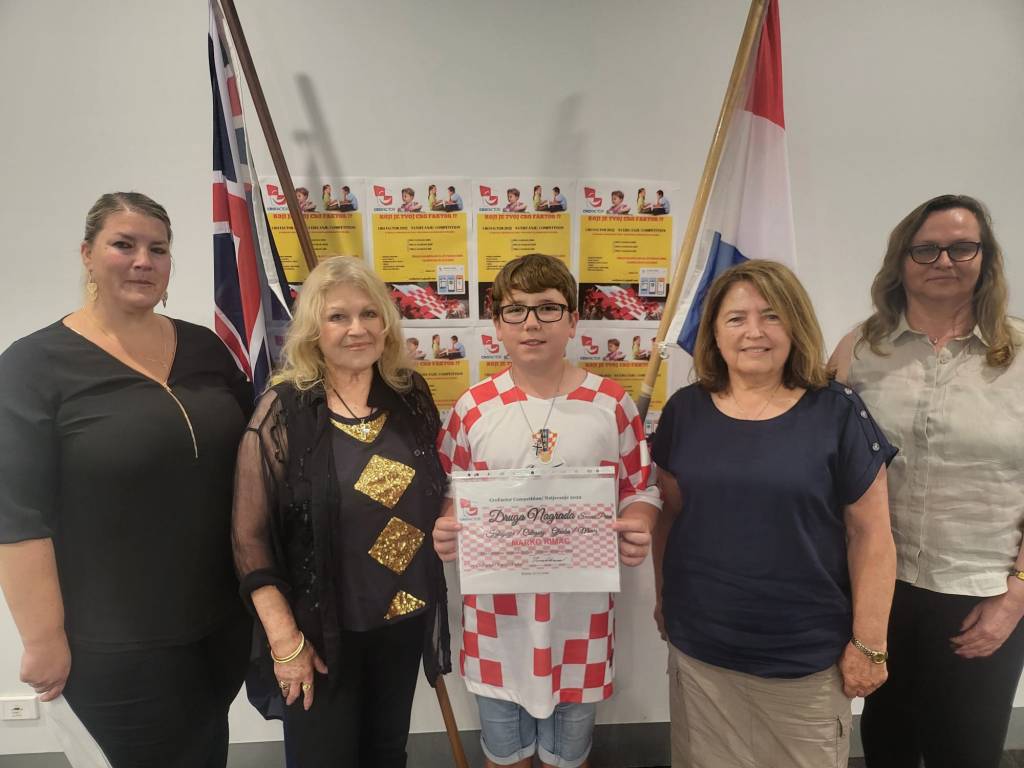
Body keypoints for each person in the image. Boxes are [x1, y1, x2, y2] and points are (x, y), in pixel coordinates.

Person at [0, 192, 253, 767]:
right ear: (87, 255)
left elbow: (259, 454)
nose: (143, 261)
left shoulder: (204, 347)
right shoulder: (33, 366)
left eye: (158, 249)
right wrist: (42, 639)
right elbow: (17, 517)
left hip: (218, 625)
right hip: (114, 643)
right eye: (124, 244)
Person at [651, 259, 897, 768]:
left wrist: (870, 643)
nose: (754, 332)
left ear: (795, 324)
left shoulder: (837, 411)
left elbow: (871, 535)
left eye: (771, 316)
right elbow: (670, 517)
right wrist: (662, 598)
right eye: (736, 318)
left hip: (802, 661)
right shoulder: (684, 411)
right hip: (701, 653)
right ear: (714, 332)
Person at [432, 253, 661, 768]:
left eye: (548, 308)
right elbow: (448, 489)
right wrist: (445, 526)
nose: (531, 323)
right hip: (496, 623)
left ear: (573, 320)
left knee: (569, 759)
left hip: (580, 620)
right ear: (496, 325)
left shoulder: (611, 403)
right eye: (515, 310)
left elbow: (640, 487)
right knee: (503, 758)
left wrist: (639, 522)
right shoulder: (473, 407)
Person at [829, 194, 1024, 768]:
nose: (944, 260)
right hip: (879, 587)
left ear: (985, 259)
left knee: (965, 751)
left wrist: (1017, 596)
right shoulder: (860, 349)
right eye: (926, 249)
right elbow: (815, 457)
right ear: (901, 260)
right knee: (887, 744)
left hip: (983, 592)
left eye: (962, 248)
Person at [232, 255, 450, 768]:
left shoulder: (409, 396)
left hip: (401, 621)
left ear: (386, 323)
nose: (358, 328)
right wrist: (285, 642)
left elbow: (433, 490)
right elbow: (249, 539)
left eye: (369, 313)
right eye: (338, 316)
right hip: (319, 634)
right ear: (314, 330)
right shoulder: (285, 410)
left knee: (386, 754)